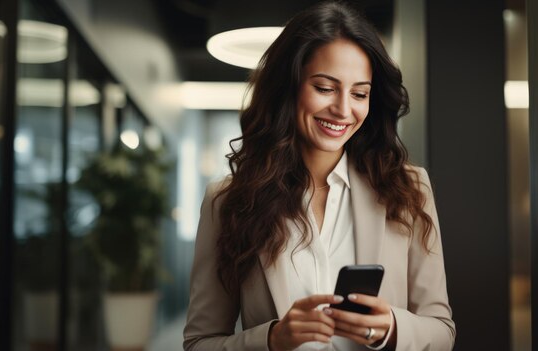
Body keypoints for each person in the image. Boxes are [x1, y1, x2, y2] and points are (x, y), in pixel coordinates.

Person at [183, 2, 455, 350]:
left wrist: (390, 328)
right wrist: (272, 339)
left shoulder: (408, 190)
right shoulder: (228, 201)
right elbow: (199, 342)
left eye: (359, 93)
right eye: (325, 88)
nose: (343, 110)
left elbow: (442, 330)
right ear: (288, 87)